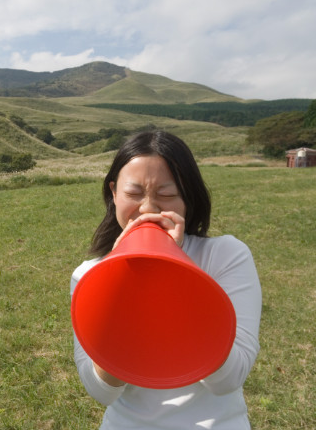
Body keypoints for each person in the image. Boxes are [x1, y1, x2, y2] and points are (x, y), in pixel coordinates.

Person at [70, 130, 262, 429]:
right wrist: (121, 278)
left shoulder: (226, 255)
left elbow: (228, 380)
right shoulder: (88, 274)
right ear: (113, 193)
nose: (148, 208)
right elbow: (102, 390)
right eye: (133, 194)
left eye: (167, 195)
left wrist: (174, 271)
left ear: (188, 196)